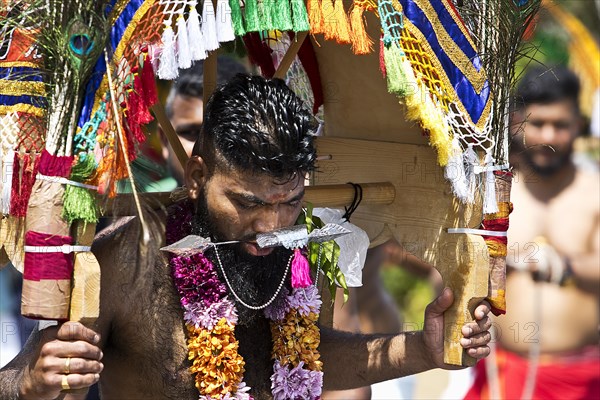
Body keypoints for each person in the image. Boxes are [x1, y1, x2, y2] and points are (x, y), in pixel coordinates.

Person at [0, 75, 492, 399]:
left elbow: (304, 362)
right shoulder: (129, 258)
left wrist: (422, 350)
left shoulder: (301, 245)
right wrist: (30, 381)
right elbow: (18, 380)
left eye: (289, 201)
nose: (271, 228)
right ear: (197, 176)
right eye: (247, 203)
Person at [465, 66, 600, 399]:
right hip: (502, 375)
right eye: (538, 124)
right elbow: (450, 264)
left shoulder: (594, 192)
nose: (549, 137)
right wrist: (501, 256)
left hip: (583, 379)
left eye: (561, 126)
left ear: (578, 126)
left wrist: (563, 264)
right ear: (516, 123)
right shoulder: (489, 192)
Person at [150, 56, 248, 192]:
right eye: (192, 133)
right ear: (164, 139)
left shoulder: (282, 209)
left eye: (228, 132)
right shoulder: (138, 209)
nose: (209, 150)